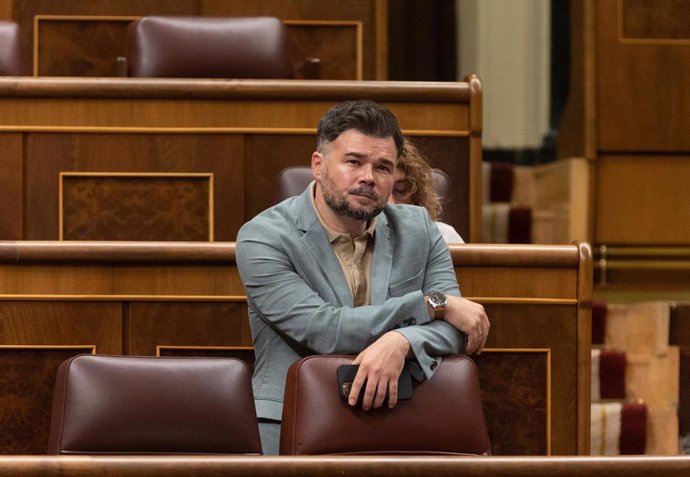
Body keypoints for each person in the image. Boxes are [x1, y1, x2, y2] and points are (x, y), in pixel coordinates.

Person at [236, 99, 489, 455]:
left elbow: (455, 328)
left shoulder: (420, 230)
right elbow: (325, 330)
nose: (368, 177)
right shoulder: (263, 237)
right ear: (318, 165)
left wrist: (400, 342)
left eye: (383, 167)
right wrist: (433, 305)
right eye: (353, 162)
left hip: (404, 417)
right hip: (291, 426)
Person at [389, 138, 465, 243]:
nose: (391, 203)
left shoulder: (443, 237)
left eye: (400, 190)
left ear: (416, 194)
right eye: (381, 192)